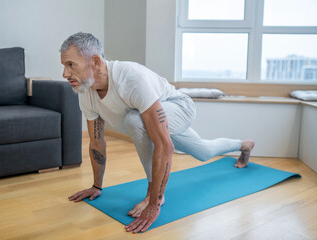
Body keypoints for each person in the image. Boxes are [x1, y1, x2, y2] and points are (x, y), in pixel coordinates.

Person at [61, 32, 255, 233]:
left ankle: (154, 193)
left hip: (178, 107)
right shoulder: (86, 92)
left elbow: (164, 146)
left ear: (94, 61)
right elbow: (96, 142)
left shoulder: (130, 77)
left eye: (70, 65)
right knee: (203, 151)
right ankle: (243, 145)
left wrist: (153, 202)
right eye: (64, 66)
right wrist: (96, 186)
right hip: (151, 122)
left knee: (134, 121)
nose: (65, 74)